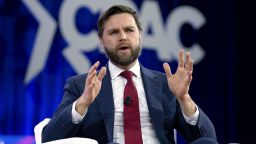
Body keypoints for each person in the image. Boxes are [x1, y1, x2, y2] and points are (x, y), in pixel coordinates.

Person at [42, 4, 217, 144]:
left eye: (129, 30)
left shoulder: (166, 84)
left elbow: (207, 137)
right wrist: (82, 103)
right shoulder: (81, 86)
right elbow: (49, 138)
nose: (123, 37)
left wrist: (184, 98)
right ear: (101, 42)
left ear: (140, 36)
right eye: (114, 32)